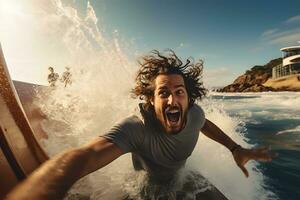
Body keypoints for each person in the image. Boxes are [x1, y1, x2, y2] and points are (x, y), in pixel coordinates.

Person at [5, 50, 276, 200]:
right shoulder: (135, 128)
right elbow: (83, 157)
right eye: (163, 93)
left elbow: (205, 124)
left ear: (188, 98)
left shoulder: (193, 114)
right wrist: (48, 185)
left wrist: (235, 148)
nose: (172, 98)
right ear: (150, 100)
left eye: (179, 92)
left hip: (184, 179)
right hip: (146, 189)